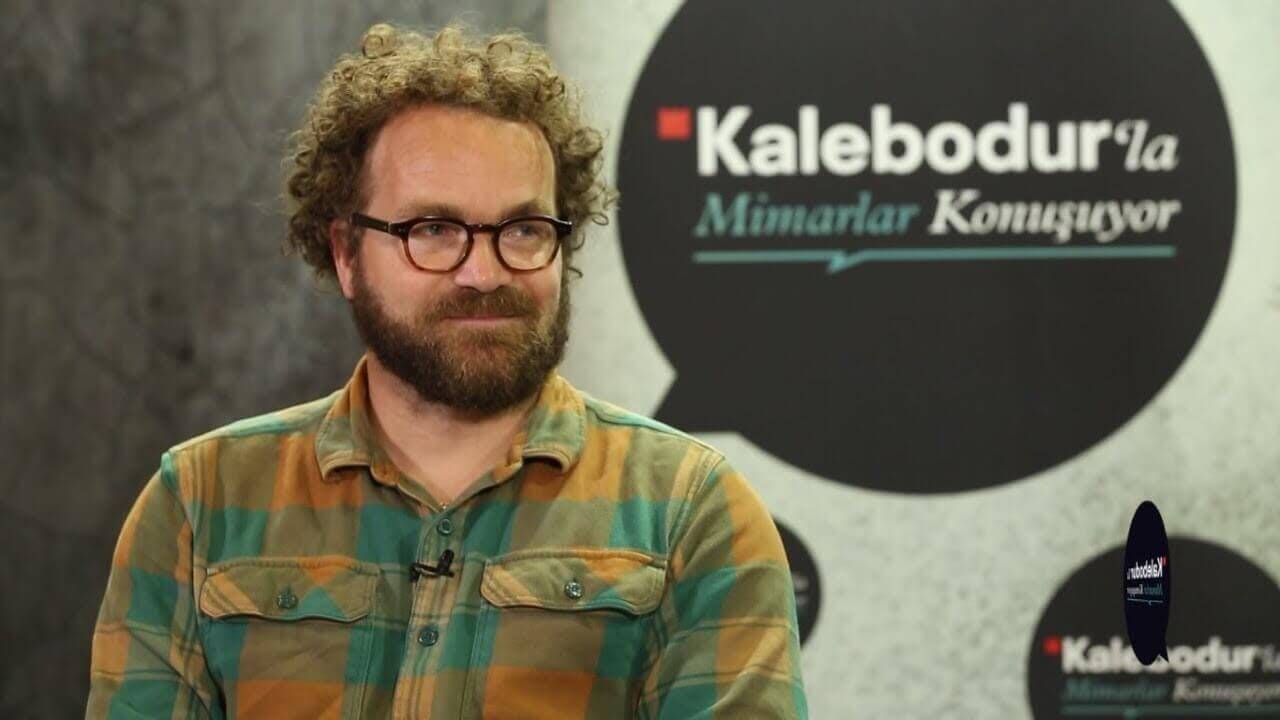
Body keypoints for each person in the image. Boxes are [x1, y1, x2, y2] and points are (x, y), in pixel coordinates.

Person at [87, 22, 807, 719]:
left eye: (523, 229)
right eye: (432, 230)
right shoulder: (200, 503)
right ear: (344, 254)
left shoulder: (689, 514)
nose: (483, 272)